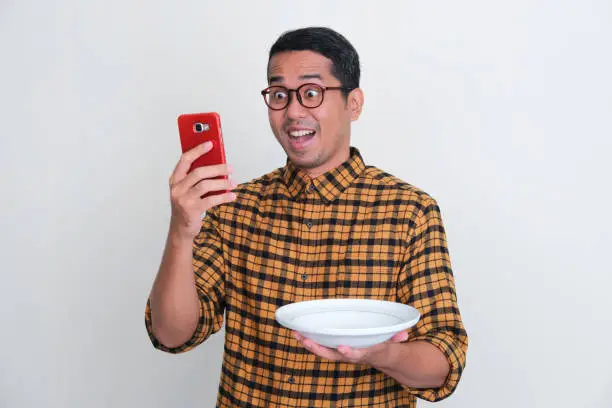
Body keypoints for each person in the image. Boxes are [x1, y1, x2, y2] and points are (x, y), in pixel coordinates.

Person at [145, 26, 468, 407]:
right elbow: (172, 335)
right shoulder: (232, 207)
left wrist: (380, 354)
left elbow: (444, 364)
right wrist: (181, 232)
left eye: (311, 93)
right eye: (279, 95)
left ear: (354, 104)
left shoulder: (409, 211)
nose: (293, 111)